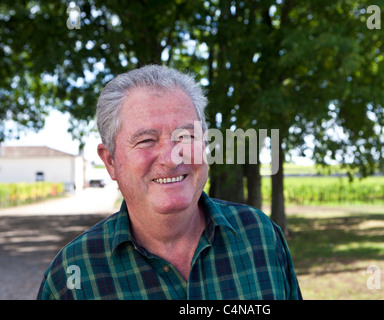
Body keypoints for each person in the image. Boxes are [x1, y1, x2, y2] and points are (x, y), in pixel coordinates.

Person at [37, 64, 302, 300]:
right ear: (110, 162)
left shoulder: (262, 237)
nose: (171, 157)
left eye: (186, 136)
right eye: (146, 140)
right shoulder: (72, 277)